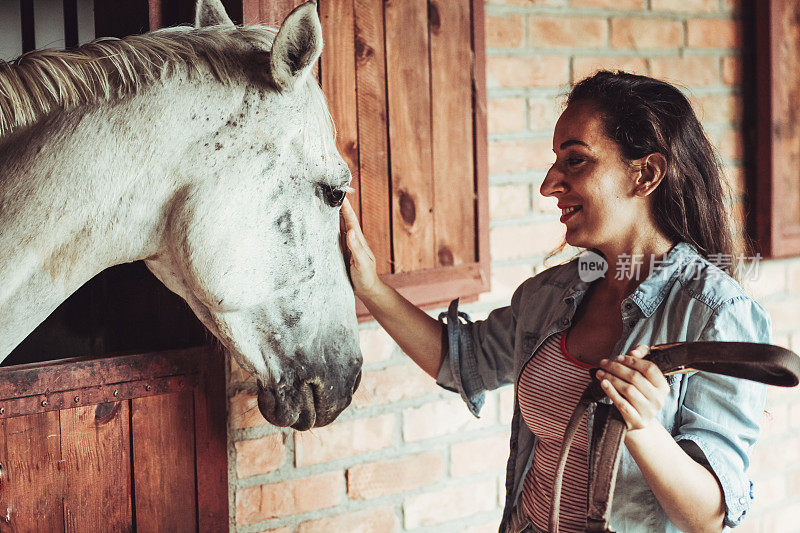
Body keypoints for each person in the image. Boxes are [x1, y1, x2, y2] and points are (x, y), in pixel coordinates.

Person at [340, 70, 769, 533]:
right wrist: (371, 288)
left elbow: (709, 516)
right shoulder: (551, 295)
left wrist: (645, 429)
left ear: (644, 174)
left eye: (576, 161)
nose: (549, 185)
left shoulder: (716, 315)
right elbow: (462, 361)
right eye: (555, 162)